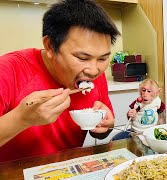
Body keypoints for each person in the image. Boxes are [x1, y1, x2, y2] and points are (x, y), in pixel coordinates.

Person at [0, 0, 120, 162]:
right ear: (50, 46)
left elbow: (102, 128)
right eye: (82, 58)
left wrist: (105, 126)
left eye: (103, 58)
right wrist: (22, 119)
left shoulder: (95, 74)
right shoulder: (8, 70)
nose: (93, 70)